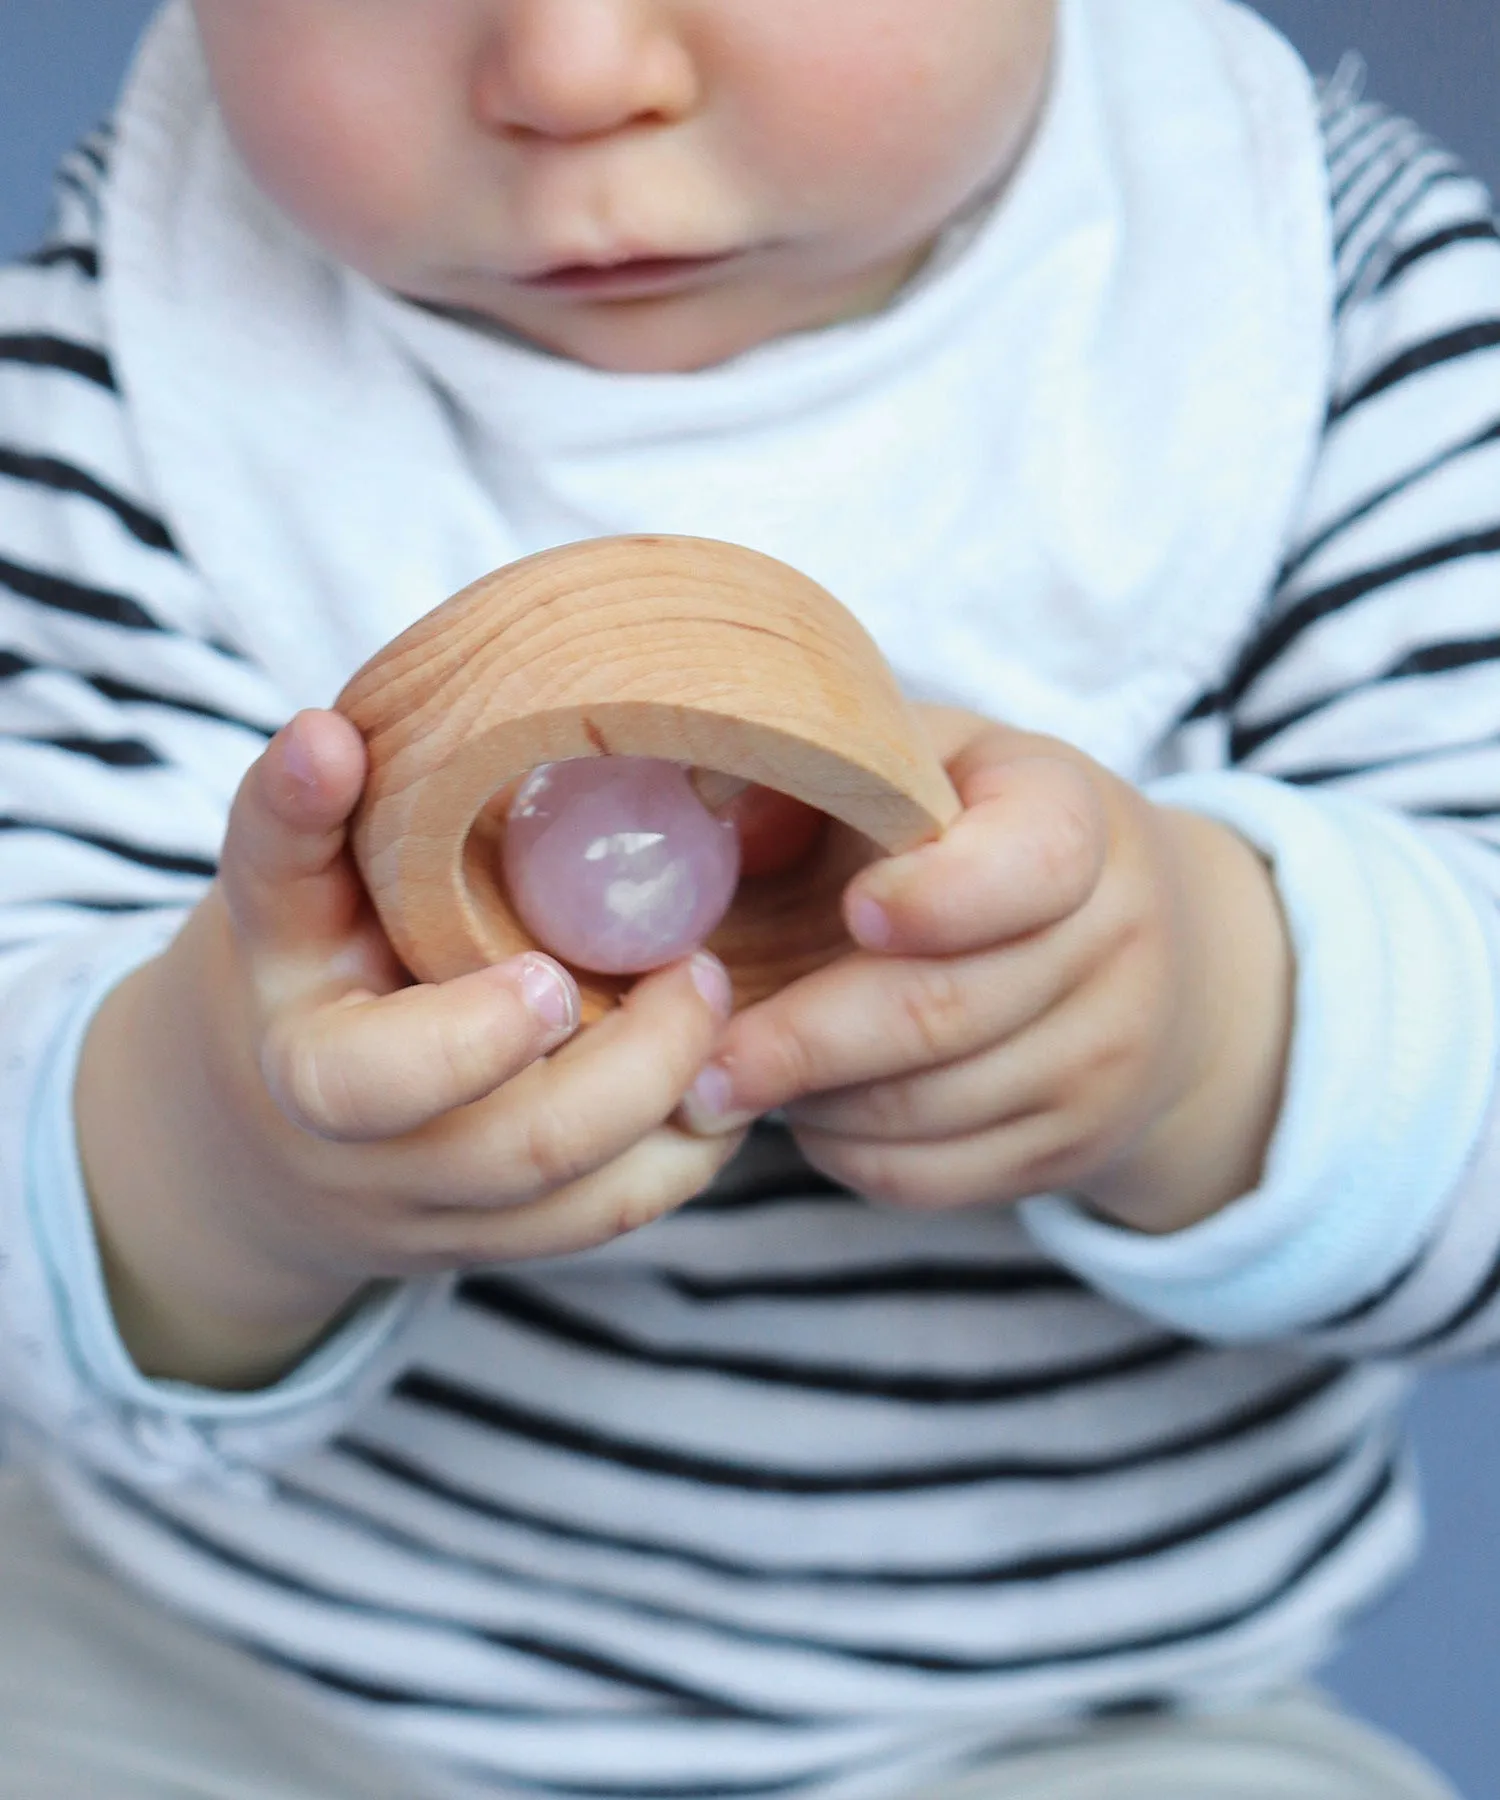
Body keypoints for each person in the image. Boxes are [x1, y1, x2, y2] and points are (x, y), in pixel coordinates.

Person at [0, 0, 1496, 1794]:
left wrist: (1210, 1024)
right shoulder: (133, 363)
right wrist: (211, 1146)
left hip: (1059, 1725)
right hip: (209, 1669)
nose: (569, 72)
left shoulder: (1315, 308)